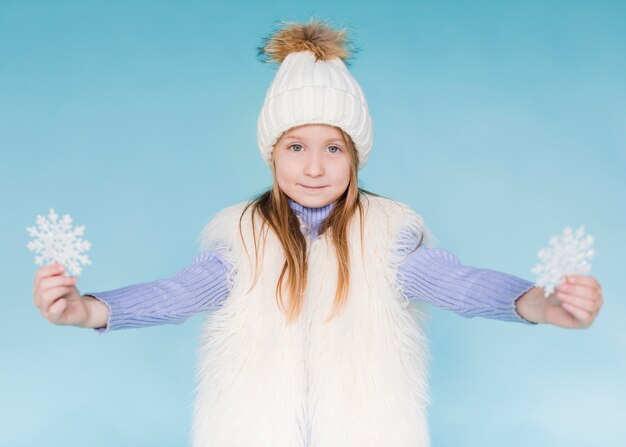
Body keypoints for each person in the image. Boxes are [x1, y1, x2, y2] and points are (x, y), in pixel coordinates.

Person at [32, 19, 603, 447]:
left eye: (333, 148)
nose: (313, 167)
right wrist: (86, 310)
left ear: (355, 157)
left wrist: (539, 303)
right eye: (296, 147)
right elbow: (178, 294)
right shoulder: (241, 236)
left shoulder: (387, 233)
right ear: (272, 154)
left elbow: (460, 284)